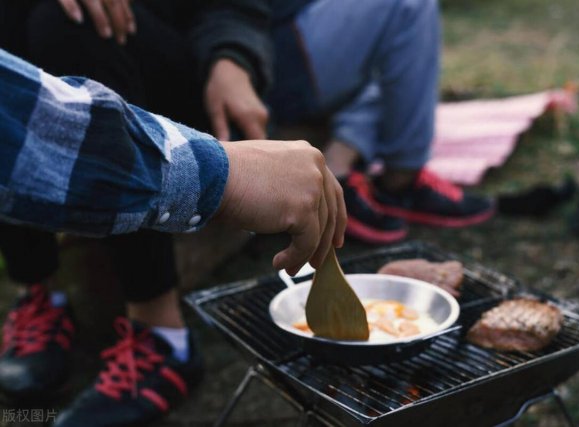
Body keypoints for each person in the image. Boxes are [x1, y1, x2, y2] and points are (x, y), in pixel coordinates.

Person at [0, 46, 345, 425]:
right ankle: (39, 291)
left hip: (180, 62)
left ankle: (161, 334)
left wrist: (231, 55)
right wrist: (223, 174)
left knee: (81, 29)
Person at [265, 0, 495, 244]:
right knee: (409, 6)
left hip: (285, 25)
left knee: (390, 48)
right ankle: (397, 179)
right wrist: (233, 54)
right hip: (267, 44)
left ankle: (346, 162)